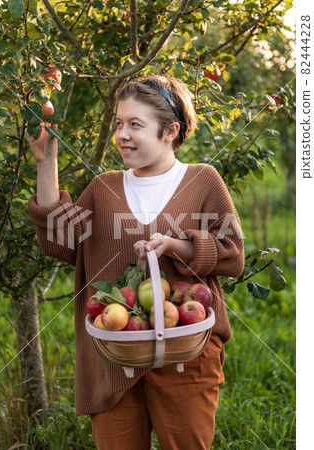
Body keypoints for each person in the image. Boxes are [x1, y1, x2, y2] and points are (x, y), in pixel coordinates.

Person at [28, 74, 245, 449]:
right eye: (118, 123)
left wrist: (177, 245)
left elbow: (232, 255)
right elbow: (62, 241)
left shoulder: (203, 181)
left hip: (185, 353)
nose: (122, 134)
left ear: (170, 131)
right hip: (114, 355)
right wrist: (46, 164)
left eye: (135, 125)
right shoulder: (104, 188)